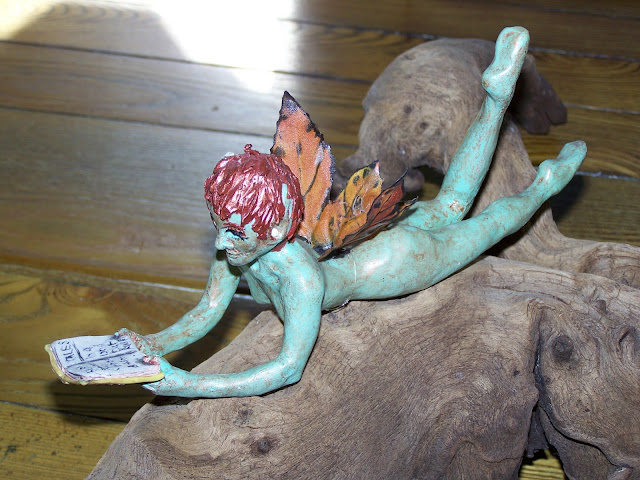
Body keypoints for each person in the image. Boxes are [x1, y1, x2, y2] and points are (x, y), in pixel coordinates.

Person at [118, 26, 586, 398]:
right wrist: (152, 344)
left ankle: (541, 183)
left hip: (400, 261)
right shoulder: (236, 245)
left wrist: (186, 384)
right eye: (219, 226)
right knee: (452, 204)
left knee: (480, 222)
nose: (222, 242)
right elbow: (207, 310)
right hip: (376, 239)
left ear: (276, 229)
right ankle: (497, 100)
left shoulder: (300, 280)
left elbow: (287, 369)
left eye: (235, 232)